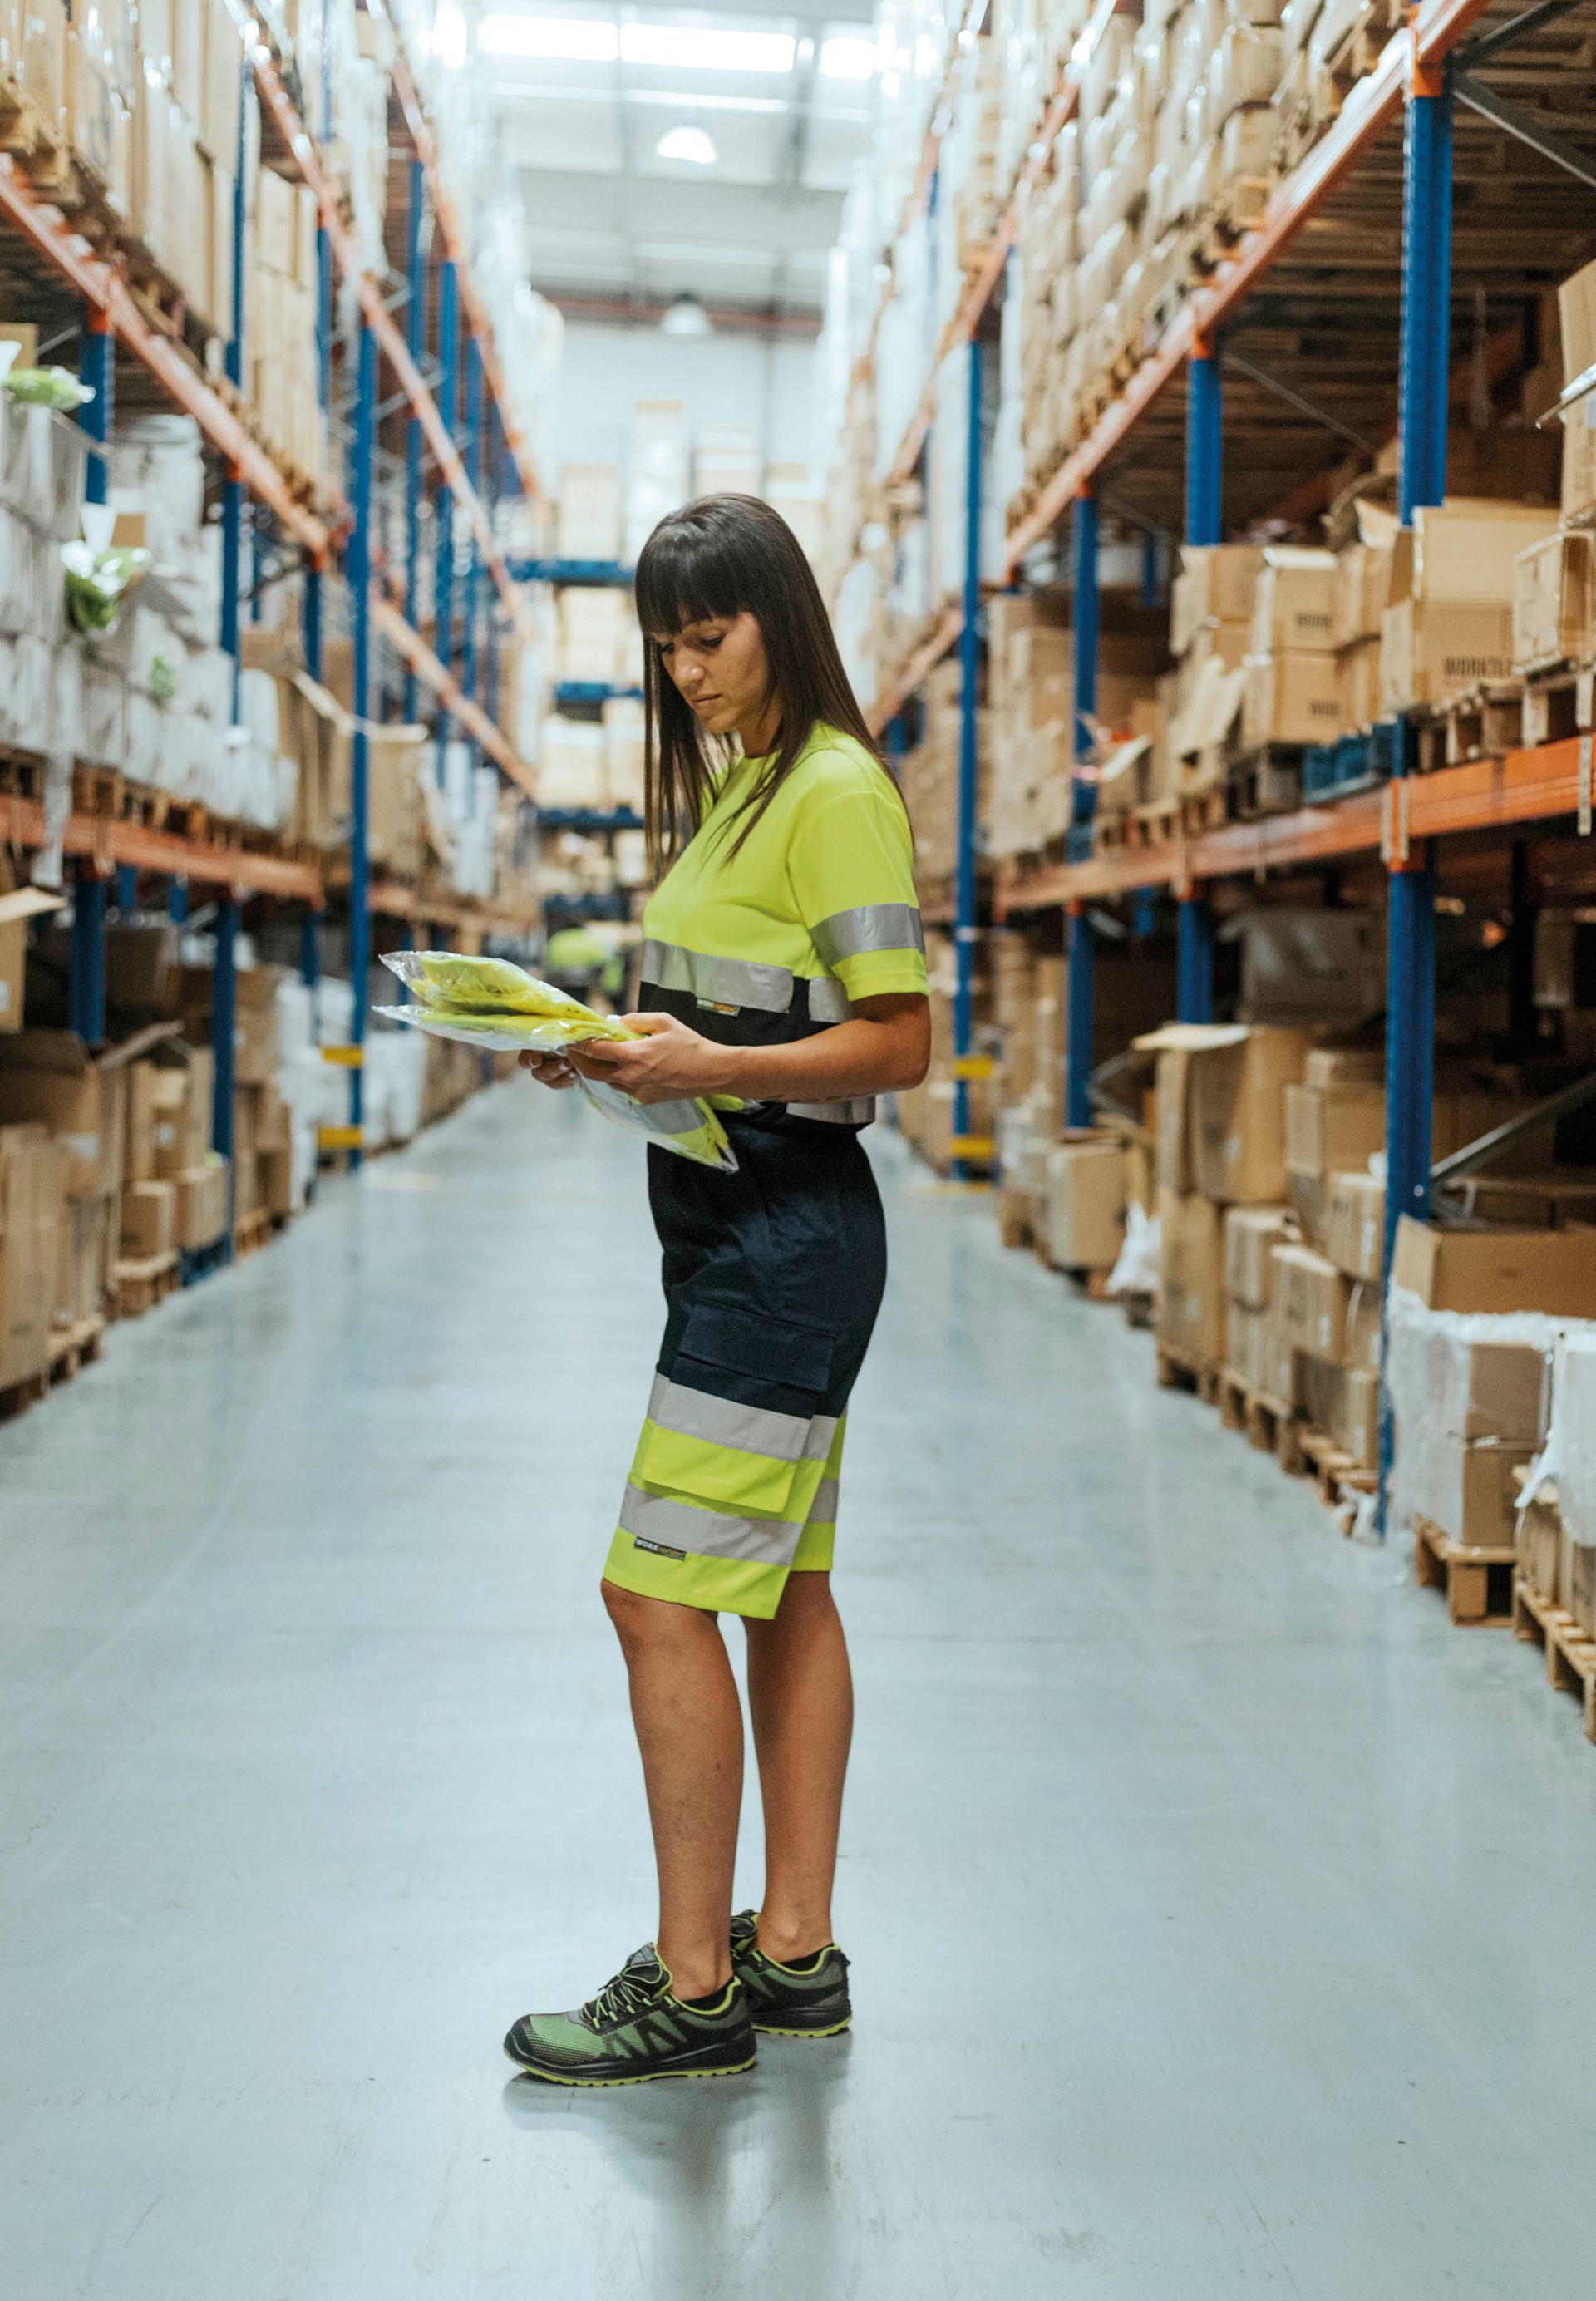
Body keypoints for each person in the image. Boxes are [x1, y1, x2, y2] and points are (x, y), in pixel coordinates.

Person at [504, 494, 930, 2087]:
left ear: (780, 616)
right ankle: (795, 1954)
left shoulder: (828, 792)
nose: (687, 669)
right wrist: (608, 1055)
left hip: (785, 1242)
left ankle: (694, 1994)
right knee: (785, 1585)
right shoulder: (745, 787)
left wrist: (713, 1063)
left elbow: (898, 1041)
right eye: (665, 644)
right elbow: (720, 1029)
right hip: (735, 1232)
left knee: (655, 1590)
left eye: (712, 634)